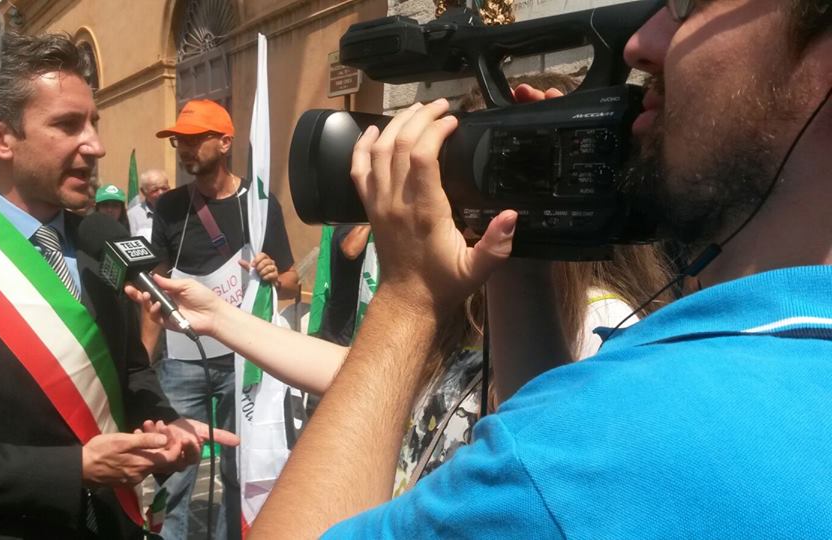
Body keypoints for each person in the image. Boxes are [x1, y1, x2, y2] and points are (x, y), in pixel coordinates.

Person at [250, 1, 832, 537]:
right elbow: (545, 441)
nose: (641, 43)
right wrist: (519, 249)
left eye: (688, 4)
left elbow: (550, 467)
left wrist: (410, 298)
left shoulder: (618, 440)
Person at [0, 32, 235, 539]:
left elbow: (131, 371)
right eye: (68, 125)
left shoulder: (103, 243)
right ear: (1, 139)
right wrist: (71, 469)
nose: (96, 145)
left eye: (94, 123)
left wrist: (161, 422)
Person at [147, 99, 299, 540]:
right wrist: (144, 356)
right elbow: (156, 287)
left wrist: (273, 275)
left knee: (240, 468)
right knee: (175, 471)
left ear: (226, 142)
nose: (184, 149)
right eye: (179, 141)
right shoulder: (169, 206)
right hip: (182, 362)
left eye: (195, 139)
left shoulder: (260, 203)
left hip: (241, 360)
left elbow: (291, 282)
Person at [127, 169, 170, 241]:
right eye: (155, 190)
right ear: (143, 192)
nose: (161, 193)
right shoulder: (133, 215)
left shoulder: (179, 211)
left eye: (164, 188)